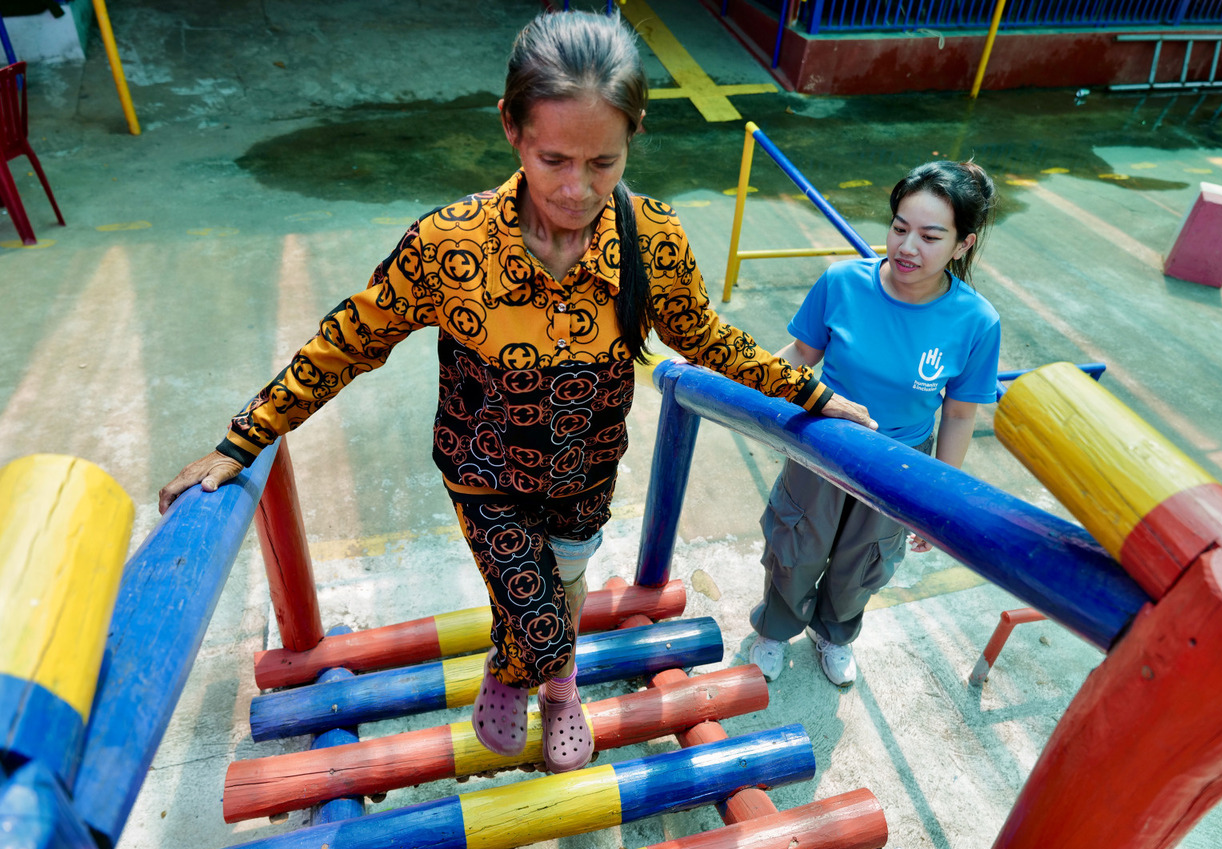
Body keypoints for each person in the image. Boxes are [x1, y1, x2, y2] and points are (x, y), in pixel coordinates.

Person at [158, 11, 873, 774]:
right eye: (554, 158)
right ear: (511, 129)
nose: (577, 188)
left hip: (588, 468)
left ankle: (544, 677)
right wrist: (246, 435)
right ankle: (537, 672)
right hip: (485, 471)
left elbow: (702, 336)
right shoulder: (449, 246)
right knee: (537, 617)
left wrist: (811, 394)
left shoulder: (652, 237)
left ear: (631, 139)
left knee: (564, 582)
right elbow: (348, 340)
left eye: (603, 163)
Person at [748, 160, 1000, 688]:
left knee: (865, 560)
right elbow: (801, 352)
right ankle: (774, 628)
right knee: (797, 542)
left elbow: (958, 412)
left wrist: (937, 495)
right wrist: (745, 386)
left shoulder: (977, 322)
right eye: (900, 227)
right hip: (822, 444)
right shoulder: (843, 283)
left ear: (963, 244)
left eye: (931, 236)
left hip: (899, 462)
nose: (908, 246)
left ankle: (834, 634)